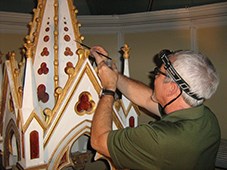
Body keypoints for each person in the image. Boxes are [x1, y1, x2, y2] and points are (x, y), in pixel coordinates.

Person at [90, 46, 220, 170]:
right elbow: (146, 99)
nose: (154, 76)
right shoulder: (207, 118)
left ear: (171, 88)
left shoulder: (159, 139)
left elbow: (98, 140)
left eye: (158, 72)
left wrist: (109, 89)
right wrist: (114, 75)